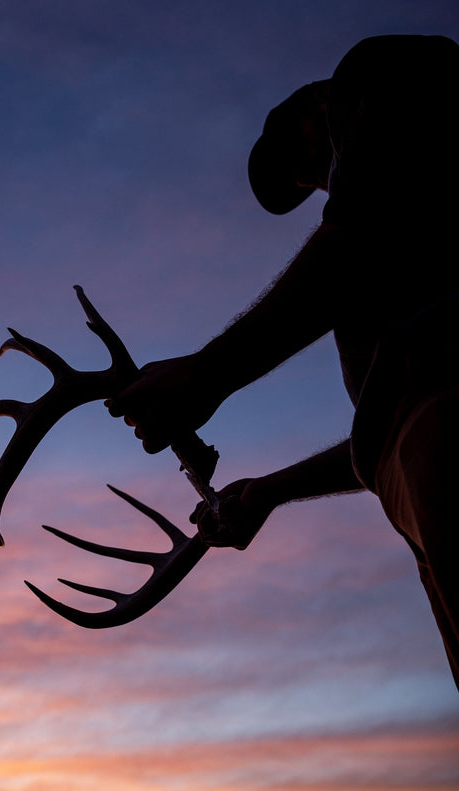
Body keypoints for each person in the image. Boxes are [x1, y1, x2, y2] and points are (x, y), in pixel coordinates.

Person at [105, 35, 459, 687]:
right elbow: (384, 427)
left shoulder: (373, 74)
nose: (311, 180)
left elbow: (359, 237)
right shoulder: (402, 259)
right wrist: (270, 491)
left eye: (297, 164)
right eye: (302, 182)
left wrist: (207, 373)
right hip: (419, 478)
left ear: (315, 105)